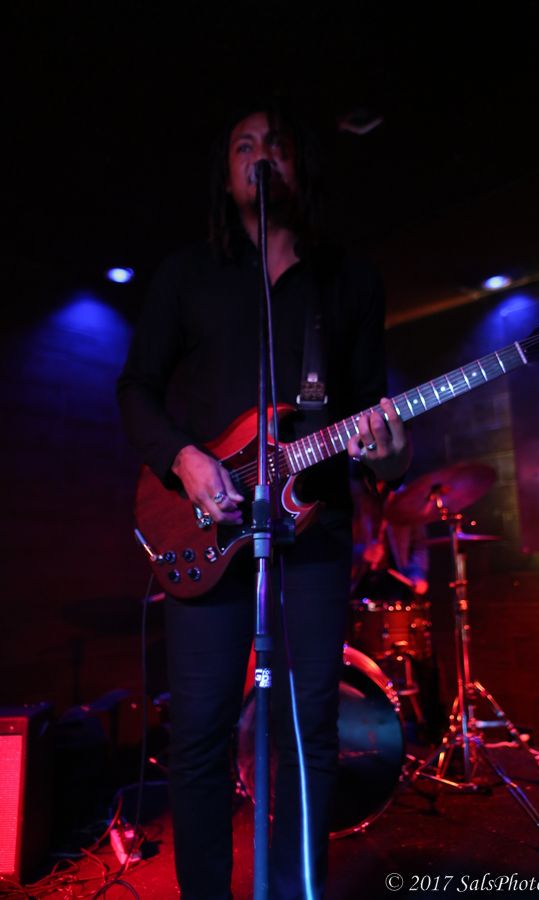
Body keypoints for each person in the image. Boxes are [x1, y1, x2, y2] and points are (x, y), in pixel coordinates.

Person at [117, 99, 410, 900]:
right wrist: (184, 458)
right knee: (201, 731)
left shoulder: (350, 281)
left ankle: (293, 888)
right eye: (243, 145)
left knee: (308, 730)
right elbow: (136, 388)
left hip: (315, 531)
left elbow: (371, 414)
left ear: (297, 164)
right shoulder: (187, 276)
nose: (259, 155)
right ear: (226, 174)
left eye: (274, 144)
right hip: (207, 529)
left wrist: (389, 450)